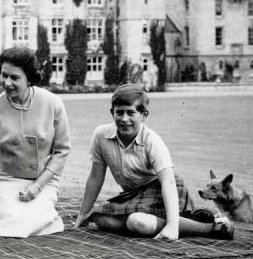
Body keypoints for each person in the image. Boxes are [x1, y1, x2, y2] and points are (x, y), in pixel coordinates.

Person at [74, 84, 234, 240]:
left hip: (163, 190)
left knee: (137, 222)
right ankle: (189, 220)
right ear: (112, 113)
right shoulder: (101, 135)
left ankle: (211, 228)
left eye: (131, 113)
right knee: (99, 219)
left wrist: (172, 226)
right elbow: (95, 177)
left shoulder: (152, 141)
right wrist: (82, 214)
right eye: (119, 113)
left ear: (144, 115)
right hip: (133, 194)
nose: (124, 119)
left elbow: (169, 182)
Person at [0, 46, 71, 237]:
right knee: (11, 217)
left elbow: (62, 151)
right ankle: (21, 218)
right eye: (3, 75)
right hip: (6, 178)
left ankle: (41, 217)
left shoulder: (53, 103)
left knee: (29, 219)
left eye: (14, 78)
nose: (7, 83)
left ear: (29, 78)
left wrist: (38, 185)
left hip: (43, 180)